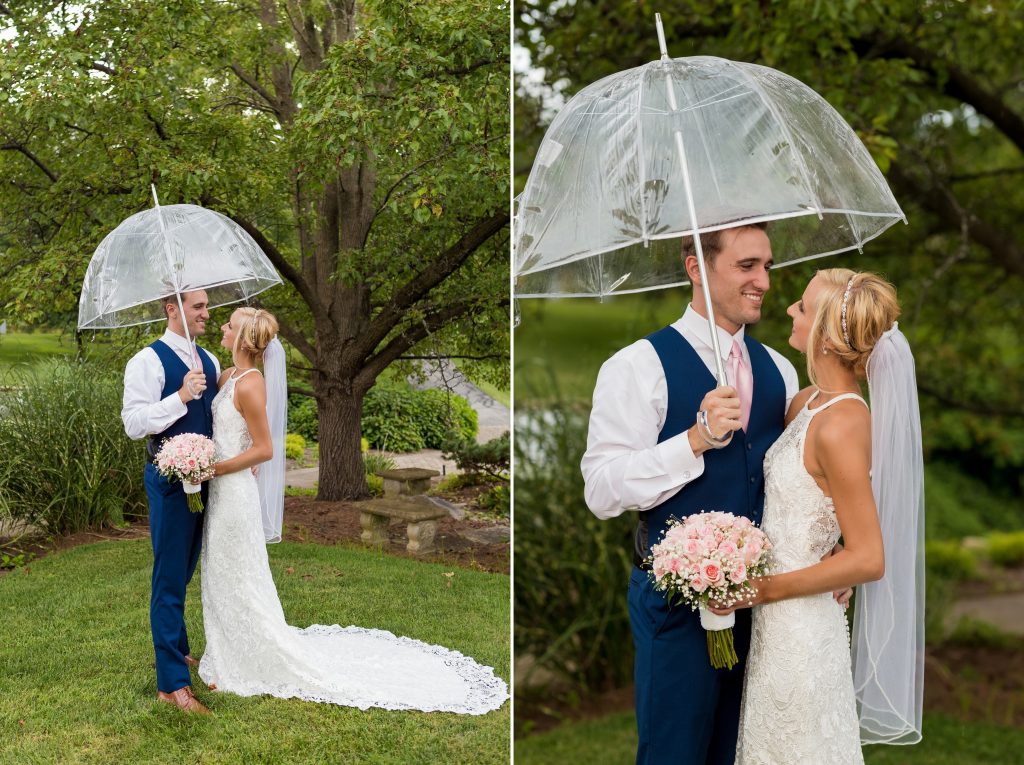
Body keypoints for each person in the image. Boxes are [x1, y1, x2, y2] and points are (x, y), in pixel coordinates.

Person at [197, 307, 509, 714]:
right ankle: (224, 651)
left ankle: (251, 656)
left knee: (239, 573)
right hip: (220, 491)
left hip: (234, 492)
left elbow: (264, 449)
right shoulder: (227, 376)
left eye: (229, 324)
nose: (222, 327)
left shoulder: (252, 385)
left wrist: (215, 467)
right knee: (220, 571)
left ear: (242, 338)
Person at [582, 223, 803, 765]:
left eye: (767, 267)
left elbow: (796, 483)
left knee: (743, 752)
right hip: (675, 607)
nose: (764, 282)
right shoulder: (638, 366)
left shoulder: (780, 370)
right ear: (696, 268)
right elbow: (602, 489)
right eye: (747, 266)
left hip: (764, 607)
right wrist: (694, 441)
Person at [715, 269, 924, 764]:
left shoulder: (844, 424)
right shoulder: (805, 404)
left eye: (803, 307)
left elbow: (870, 558)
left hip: (803, 629)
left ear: (828, 336)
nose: (789, 309)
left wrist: (762, 589)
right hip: (774, 625)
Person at [122, 289, 219, 714]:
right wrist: (179, 397)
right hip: (167, 480)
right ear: (172, 309)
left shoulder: (211, 360)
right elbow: (133, 423)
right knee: (168, 576)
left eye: (206, 306)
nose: (206, 313)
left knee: (185, 569)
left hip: (208, 479)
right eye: (198, 306)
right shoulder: (146, 361)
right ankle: (172, 684)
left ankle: (178, 649)